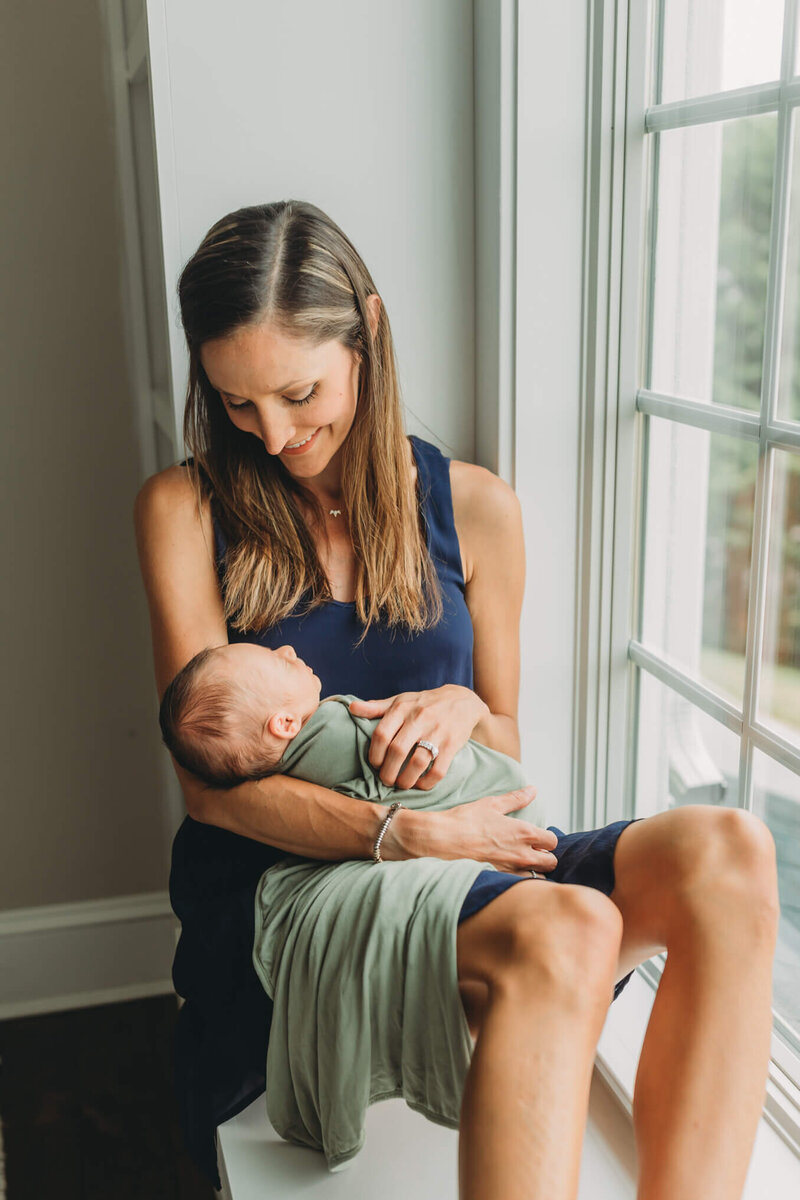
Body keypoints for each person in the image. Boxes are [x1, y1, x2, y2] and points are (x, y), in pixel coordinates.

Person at [134, 199, 779, 1200]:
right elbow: (211, 790)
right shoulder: (182, 510)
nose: (271, 432)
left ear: (368, 333)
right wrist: (400, 835)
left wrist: (464, 710)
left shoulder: (475, 506)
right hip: (297, 890)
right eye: (236, 404)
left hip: (463, 840)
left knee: (728, 856)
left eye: (298, 392)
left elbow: (505, 732)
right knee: (564, 930)